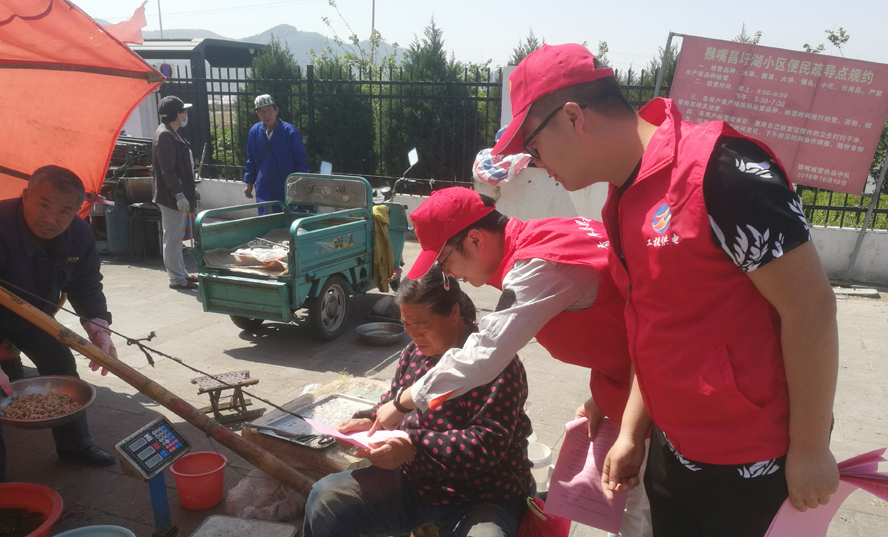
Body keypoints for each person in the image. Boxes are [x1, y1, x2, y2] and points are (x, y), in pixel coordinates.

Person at [491, 43, 839, 537]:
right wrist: (632, 432)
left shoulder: (720, 169)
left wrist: (810, 447)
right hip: (674, 455)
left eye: (533, 146)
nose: (537, 164)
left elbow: (811, 307)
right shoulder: (622, 199)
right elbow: (654, 326)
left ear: (572, 118)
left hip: (754, 462)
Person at [369, 187, 651, 537]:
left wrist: (403, 401)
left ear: (474, 240)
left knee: (638, 518)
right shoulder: (548, 236)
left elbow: (484, 354)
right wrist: (603, 397)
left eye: (444, 261)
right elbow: (619, 329)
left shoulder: (540, 264)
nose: (449, 274)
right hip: (635, 386)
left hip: (661, 399)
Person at [302, 264, 534, 537]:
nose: (413, 335)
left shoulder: (497, 363)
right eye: (406, 325)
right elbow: (393, 403)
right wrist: (368, 422)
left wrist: (414, 447)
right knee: (327, 498)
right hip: (419, 483)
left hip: (485, 492)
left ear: (454, 313)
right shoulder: (414, 353)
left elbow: (488, 443)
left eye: (423, 325)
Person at [0, 165, 120, 481]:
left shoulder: (80, 235)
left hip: (34, 316)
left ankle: (75, 446)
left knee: (61, 364)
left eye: (64, 211)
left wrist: (99, 329)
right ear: (25, 195)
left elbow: (86, 285)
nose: (50, 219)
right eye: (43, 205)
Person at [152, 95, 198, 291]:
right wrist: (179, 195)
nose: (186, 114)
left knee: (176, 238)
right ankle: (176, 278)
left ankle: (181, 273)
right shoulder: (165, 135)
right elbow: (167, 170)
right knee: (172, 239)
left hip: (175, 194)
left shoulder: (171, 133)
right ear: (176, 114)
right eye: (183, 111)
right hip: (170, 197)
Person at [242, 94, 309, 215]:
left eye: (269, 110)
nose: (266, 115)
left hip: (286, 189)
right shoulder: (254, 132)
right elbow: (251, 160)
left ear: (276, 110)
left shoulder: (290, 132)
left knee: (286, 222)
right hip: (264, 190)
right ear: (257, 114)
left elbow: (300, 161)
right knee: (267, 222)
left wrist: (300, 185)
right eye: (262, 111)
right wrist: (249, 183)